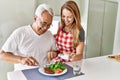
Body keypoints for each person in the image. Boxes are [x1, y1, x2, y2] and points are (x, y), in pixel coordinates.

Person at [0, 4, 58, 70]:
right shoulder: (20, 33)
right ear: (35, 18)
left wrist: (54, 53)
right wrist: (21, 59)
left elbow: (55, 52)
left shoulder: (49, 35)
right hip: (23, 75)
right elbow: (2, 55)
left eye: (49, 25)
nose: (45, 28)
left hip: (44, 73)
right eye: (43, 23)